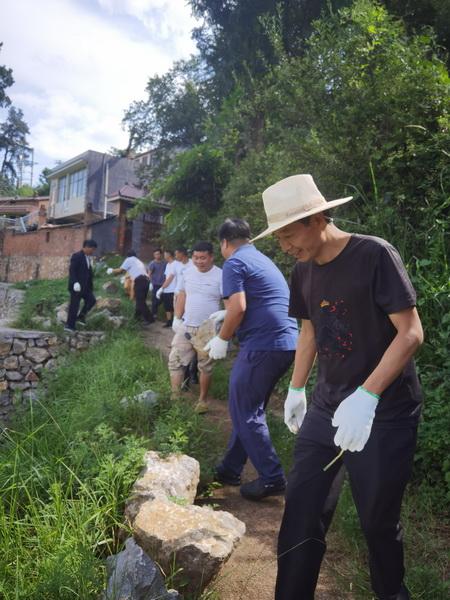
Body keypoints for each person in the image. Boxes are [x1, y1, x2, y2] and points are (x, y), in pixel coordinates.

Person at [251, 174, 423, 600]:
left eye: (288, 233)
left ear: (316, 218)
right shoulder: (302, 270)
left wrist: (368, 395)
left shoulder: (374, 255)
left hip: (386, 410)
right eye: (279, 237)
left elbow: (411, 333)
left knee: (377, 522)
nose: (285, 245)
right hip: (327, 407)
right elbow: (308, 331)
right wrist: (296, 390)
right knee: (301, 511)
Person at [204, 218, 298, 501]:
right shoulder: (260, 258)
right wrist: (229, 313)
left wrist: (222, 338)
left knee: (245, 410)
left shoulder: (233, 262)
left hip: (264, 344)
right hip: (286, 342)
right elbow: (259, 300)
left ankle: (272, 478)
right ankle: (230, 469)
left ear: (224, 243)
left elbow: (239, 306)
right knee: (248, 408)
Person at [169, 241, 223, 413]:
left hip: (207, 328)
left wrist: (225, 332)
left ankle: (202, 401)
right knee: (175, 361)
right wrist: (177, 318)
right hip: (186, 325)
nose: (199, 261)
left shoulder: (221, 275)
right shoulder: (187, 272)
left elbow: (230, 302)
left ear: (211, 257)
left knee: (205, 365)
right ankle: (175, 396)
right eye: (196, 258)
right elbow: (182, 294)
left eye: (203, 258)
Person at [107, 250, 153, 325]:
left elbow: (121, 270)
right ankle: (137, 318)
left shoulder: (129, 259)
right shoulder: (138, 261)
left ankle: (150, 319)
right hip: (146, 281)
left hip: (140, 281)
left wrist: (112, 270)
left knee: (140, 301)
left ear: (128, 256)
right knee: (140, 300)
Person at [65, 239, 98, 332]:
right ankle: (69, 326)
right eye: (92, 249)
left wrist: (90, 287)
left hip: (86, 287)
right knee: (74, 306)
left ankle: (80, 317)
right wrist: (75, 282)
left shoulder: (88, 258)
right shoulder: (77, 256)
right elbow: (72, 270)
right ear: (86, 247)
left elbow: (88, 273)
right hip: (77, 286)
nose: (93, 251)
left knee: (91, 300)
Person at [156, 250, 177, 327]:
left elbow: (170, 278)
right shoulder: (168, 264)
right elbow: (166, 277)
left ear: (169, 255)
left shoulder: (176, 264)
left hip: (173, 289)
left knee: (174, 307)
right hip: (167, 289)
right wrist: (163, 288)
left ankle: (175, 322)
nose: (164, 256)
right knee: (167, 307)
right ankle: (169, 322)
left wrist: (161, 288)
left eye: (165, 254)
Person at [147, 248, 166, 318]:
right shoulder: (152, 263)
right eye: (155, 254)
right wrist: (150, 283)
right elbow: (149, 274)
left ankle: (156, 312)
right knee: (155, 300)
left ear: (161, 254)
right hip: (155, 284)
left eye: (158, 254)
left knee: (163, 299)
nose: (157, 255)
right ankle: (153, 314)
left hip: (164, 284)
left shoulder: (165, 263)